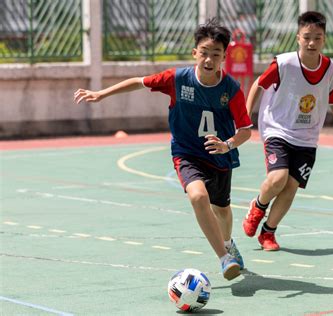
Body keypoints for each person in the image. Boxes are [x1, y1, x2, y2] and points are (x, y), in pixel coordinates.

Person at [74, 18, 252, 280]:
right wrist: (102, 94)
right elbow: (139, 81)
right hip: (187, 153)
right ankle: (224, 259)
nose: (208, 59)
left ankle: (228, 244)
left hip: (218, 156)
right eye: (204, 52)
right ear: (195, 53)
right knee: (198, 197)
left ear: (224, 56)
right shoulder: (178, 79)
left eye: (215, 54)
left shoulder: (231, 90)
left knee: (222, 210)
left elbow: (246, 130)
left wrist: (227, 145)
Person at [243, 11, 333, 251]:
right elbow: (258, 84)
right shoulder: (284, 63)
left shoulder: (332, 71)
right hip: (277, 128)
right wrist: (245, 118)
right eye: (307, 37)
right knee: (278, 178)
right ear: (298, 37)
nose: (311, 43)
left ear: (324, 39)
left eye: (317, 38)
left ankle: (268, 232)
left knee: (291, 187)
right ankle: (258, 206)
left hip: (307, 137)